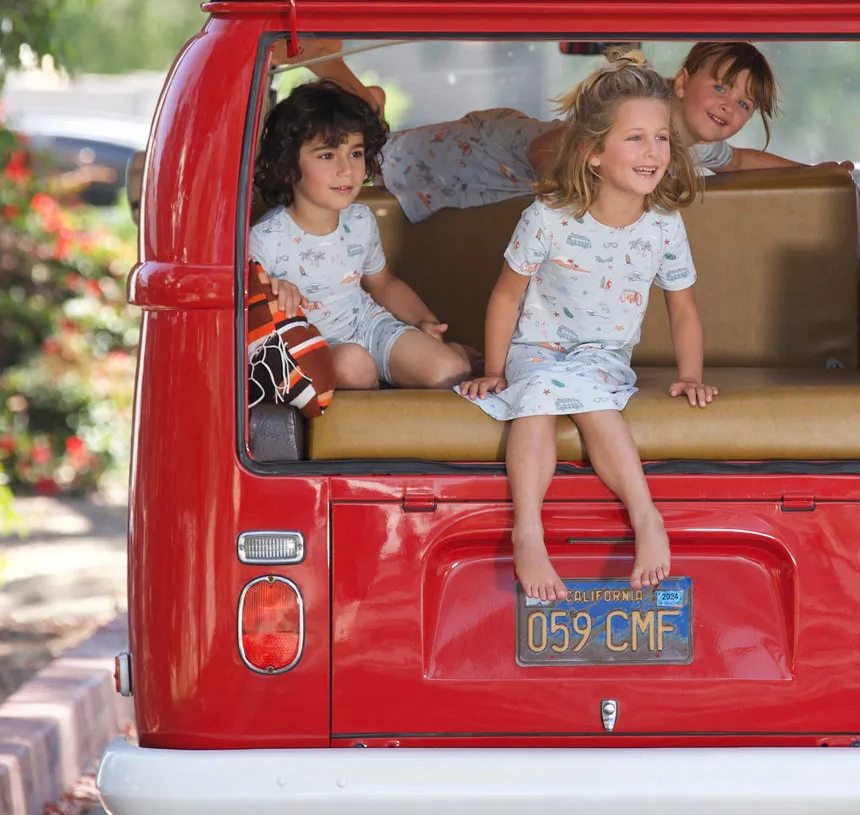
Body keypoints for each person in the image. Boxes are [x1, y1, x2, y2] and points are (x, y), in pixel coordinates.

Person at [456, 53, 718, 603]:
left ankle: (647, 519)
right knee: (539, 397)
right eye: (636, 139)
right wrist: (497, 370)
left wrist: (691, 374)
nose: (654, 153)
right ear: (595, 153)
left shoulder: (664, 225)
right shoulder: (548, 217)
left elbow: (683, 308)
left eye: (662, 139)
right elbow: (506, 296)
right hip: (537, 348)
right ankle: (527, 530)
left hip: (603, 354)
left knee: (590, 393)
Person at [287, 39, 816, 224]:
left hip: (508, 183)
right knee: (383, 164)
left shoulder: (704, 151)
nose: (729, 106)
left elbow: (744, 162)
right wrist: (580, 200)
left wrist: (818, 172)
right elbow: (551, 148)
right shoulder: (638, 105)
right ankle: (355, 95)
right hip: (498, 151)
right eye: (721, 87)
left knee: (389, 176)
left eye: (744, 102)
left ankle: (367, 106)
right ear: (681, 82)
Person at [250, 79, 473, 391]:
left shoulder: (360, 220)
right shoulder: (264, 239)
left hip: (369, 326)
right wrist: (271, 290)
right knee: (355, 365)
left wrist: (424, 321)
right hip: (316, 346)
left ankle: (459, 356)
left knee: (449, 371)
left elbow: (383, 284)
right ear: (288, 167)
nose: (347, 169)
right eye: (327, 156)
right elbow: (250, 319)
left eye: (355, 153)